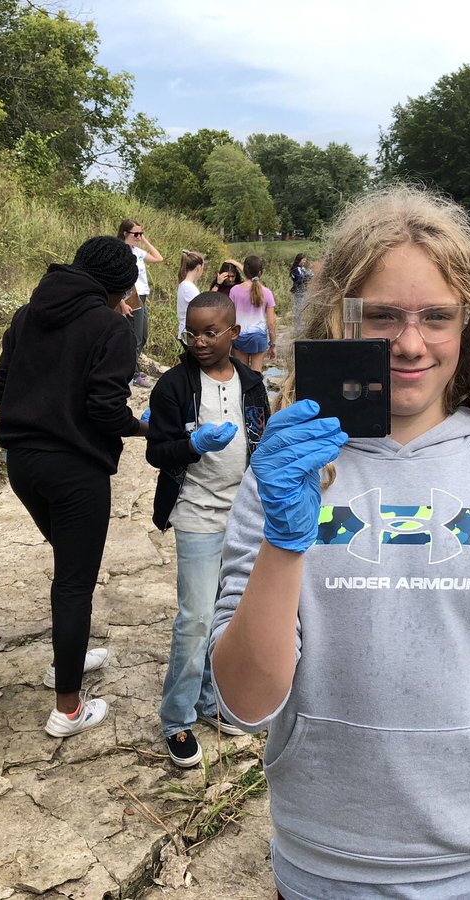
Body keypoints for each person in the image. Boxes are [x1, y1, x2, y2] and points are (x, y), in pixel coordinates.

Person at [211, 187, 470, 899]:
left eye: (437, 317)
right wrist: (286, 541)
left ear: (468, 325)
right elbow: (243, 702)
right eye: (383, 316)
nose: (411, 343)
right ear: (339, 322)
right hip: (322, 869)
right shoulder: (288, 475)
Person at [0, 236, 148, 738]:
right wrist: (143, 426)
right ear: (118, 288)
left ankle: (70, 659)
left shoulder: (26, 315)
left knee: (69, 567)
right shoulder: (110, 327)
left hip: (22, 465)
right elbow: (106, 410)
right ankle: (68, 708)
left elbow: (1, 384)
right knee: (74, 584)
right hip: (76, 472)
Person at [146, 291, 271, 767]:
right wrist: (192, 443)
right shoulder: (174, 387)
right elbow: (157, 451)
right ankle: (176, 719)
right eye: (191, 332)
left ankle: (207, 701)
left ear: (233, 334)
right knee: (194, 620)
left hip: (242, 516)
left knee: (226, 617)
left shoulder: (253, 385)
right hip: (197, 512)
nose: (198, 341)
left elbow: (262, 441)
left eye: (209, 332)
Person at [117, 220, 164, 388]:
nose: (138, 237)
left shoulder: (137, 251)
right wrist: (122, 302)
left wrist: (144, 240)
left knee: (143, 336)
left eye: (140, 233)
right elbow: (115, 279)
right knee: (135, 337)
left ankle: (131, 371)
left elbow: (158, 258)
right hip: (131, 297)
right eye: (135, 234)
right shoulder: (120, 252)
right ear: (124, 233)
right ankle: (132, 374)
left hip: (142, 296)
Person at [228, 255, 277, 372]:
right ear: (260, 272)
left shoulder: (234, 291)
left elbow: (229, 317)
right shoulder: (267, 293)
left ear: (244, 271)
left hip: (239, 335)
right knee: (256, 373)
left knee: (242, 372)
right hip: (259, 337)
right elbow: (271, 323)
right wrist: (273, 345)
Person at [176, 250, 205, 335]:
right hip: (189, 333)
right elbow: (200, 311)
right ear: (199, 268)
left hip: (186, 331)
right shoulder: (189, 287)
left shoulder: (184, 284)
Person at [288, 253, 313, 325]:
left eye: (305, 260)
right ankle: (298, 327)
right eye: (303, 260)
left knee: (306, 308)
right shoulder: (296, 269)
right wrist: (310, 274)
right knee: (298, 309)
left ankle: (304, 325)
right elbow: (301, 278)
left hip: (304, 290)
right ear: (299, 260)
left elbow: (307, 275)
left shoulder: (302, 268)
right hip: (299, 291)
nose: (305, 261)